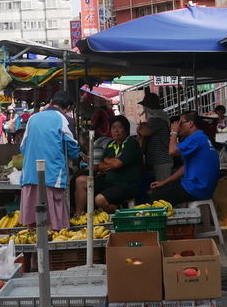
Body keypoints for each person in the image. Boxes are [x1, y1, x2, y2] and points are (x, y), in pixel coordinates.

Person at [19, 92, 80, 231]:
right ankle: (52, 251)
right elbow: (73, 150)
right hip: (52, 176)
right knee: (53, 225)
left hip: (30, 175)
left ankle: (35, 251)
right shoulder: (65, 119)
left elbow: (23, 147)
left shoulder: (32, 118)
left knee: (33, 224)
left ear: (51, 101)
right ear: (68, 107)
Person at [149, 111, 220, 205]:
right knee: (161, 188)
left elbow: (172, 151)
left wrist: (174, 132)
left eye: (180, 123)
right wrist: (164, 182)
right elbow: (185, 168)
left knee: (156, 196)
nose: (179, 126)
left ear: (190, 124)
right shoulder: (200, 137)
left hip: (196, 189)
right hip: (201, 188)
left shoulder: (196, 137)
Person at [74, 116, 142, 212]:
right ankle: (78, 216)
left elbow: (117, 164)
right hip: (109, 182)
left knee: (99, 200)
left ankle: (118, 210)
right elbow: (100, 166)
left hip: (126, 185)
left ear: (126, 130)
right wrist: (110, 161)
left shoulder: (131, 143)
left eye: (119, 128)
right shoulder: (110, 144)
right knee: (80, 181)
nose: (116, 131)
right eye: (113, 128)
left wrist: (108, 161)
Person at [137, 92, 172, 184]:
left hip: (162, 160)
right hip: (159, 160)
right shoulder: (161, 117)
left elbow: (144, 132)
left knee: (163, 187)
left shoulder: (157, 119)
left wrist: (139, 128)